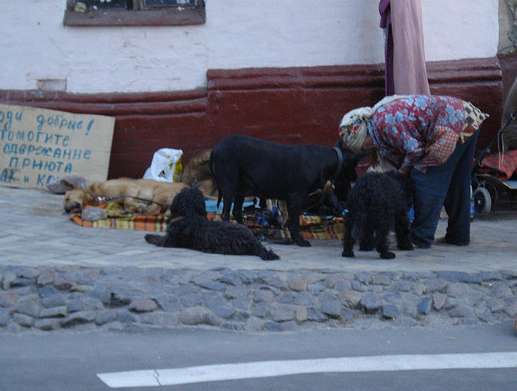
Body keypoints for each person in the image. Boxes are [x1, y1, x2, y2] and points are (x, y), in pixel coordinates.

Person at [339, 95, 488, 249]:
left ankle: (420, 237)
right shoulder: (376, 120)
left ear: (364, 137)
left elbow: (415, 151)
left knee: (424, 178)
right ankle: (459, 235)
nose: (365, 149)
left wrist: (403, 171)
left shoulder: (386, 123)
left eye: (362, 146)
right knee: (458, 183)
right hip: (468, 117)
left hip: (451, 125)